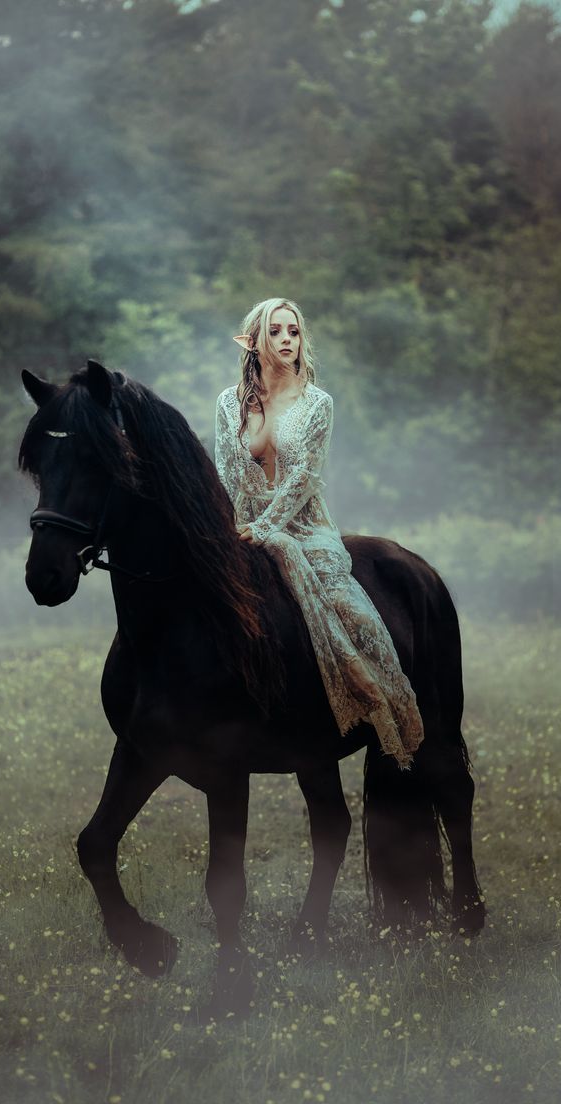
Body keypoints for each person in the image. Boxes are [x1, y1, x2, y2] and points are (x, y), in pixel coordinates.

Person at [214, 297, 424, 768]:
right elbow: (226, 472)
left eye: (294, 332)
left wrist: (267, 529)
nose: (287, 340)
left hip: (303, 528)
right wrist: (232, 530)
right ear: (255, 340)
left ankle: (388, 707)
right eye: (276, 332)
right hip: (240, 525)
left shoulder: (316, 403)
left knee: (353, 613)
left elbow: (305, 476)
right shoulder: (229, 403)